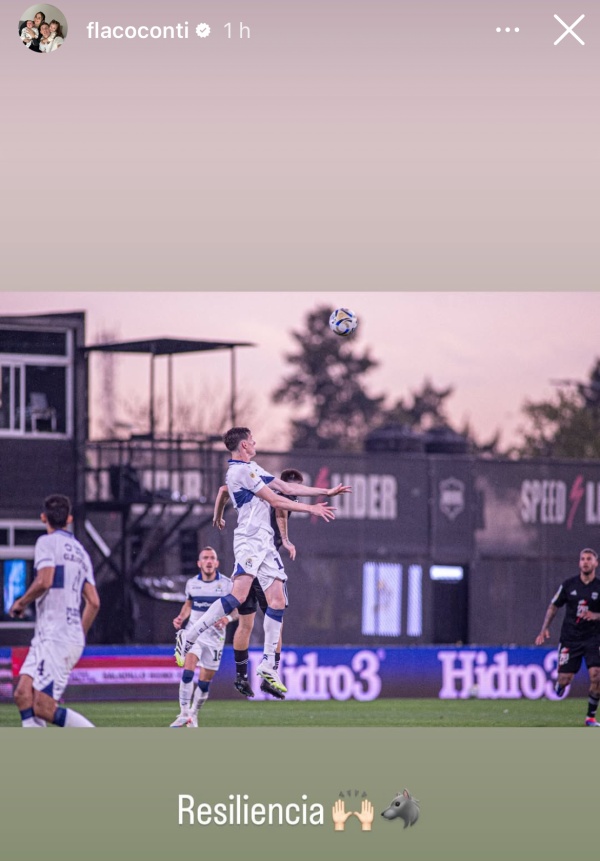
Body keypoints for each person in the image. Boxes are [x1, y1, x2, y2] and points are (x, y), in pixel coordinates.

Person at [175, 427, 350, 695]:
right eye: (252, 440)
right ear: (244, 445)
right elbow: (276, 500)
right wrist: (310, 507)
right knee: (238, 597)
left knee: (277, 600)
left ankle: (268, 665)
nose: (255, 442)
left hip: (265, 543)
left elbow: (286, 487)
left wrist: (326, 492)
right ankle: (189, 635)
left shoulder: (251, 467)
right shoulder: (240, 472)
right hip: (249, 540)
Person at [10, 494, 100, 728]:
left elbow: (45, 580)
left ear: (43, 517)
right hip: (53, 636)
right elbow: (93, 602)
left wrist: (21, 603)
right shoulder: (80, 552)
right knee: (23, 694)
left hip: (56, 636)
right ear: (69, 519)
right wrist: (78, 632)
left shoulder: (46, 542)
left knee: (43, 707)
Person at [213, 467, 304, 700]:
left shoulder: (257, 488)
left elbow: (223, 490)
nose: (295, 493)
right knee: (276, 618)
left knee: (246, 624)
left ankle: (241, 676)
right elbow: (280, 510)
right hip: (264, 566)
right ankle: (269, 675)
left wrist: (218, 514)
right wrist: (286, 540)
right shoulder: (279, 496)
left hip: (247, 561)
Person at [170, 546, 236, 728]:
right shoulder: (192, 584)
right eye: (205, 558)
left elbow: (238, 609)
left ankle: (193, 714)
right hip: (195, 634)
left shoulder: (226, 584)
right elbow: (188, 605)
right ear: (199, 563)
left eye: (212, 558)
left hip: (215, 638)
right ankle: (183, 713)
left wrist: (228, 618)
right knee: (188, 670)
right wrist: (181, 617)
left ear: (217, 563)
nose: (208, 561)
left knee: (205, 682)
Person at [535, 548, 600, 726]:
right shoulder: (569, 585)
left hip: (594, 639)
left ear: (596, 563)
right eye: (582, 559)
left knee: (597, 675)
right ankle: (560, 685)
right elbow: (553, 606)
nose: (585, 562)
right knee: (565, 679)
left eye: (589, 559)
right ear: (579, 563)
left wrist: (596, 615)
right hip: (570, 638)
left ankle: (590, 717)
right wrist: (544, 629)